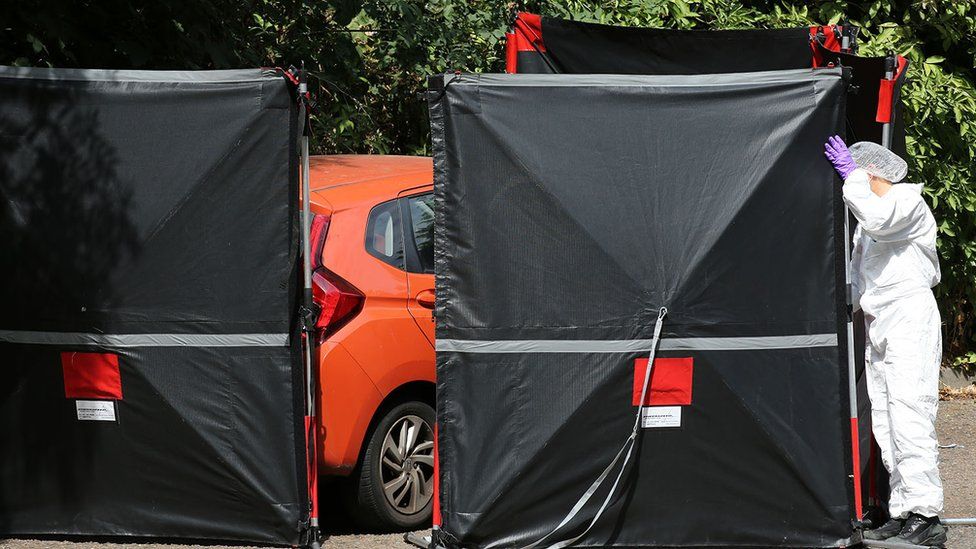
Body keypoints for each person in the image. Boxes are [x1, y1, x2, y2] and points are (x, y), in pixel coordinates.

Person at [824, 136, 947, 547]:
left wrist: (852, 177)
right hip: (881, 320)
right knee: (887, 417)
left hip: (910, 314)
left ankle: (927, 515)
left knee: (911, 411)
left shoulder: (906, 203)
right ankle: (902, 510)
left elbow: (877, 218)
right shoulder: (868, 225)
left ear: (870, 173)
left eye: (859, 173)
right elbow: (861, 279)